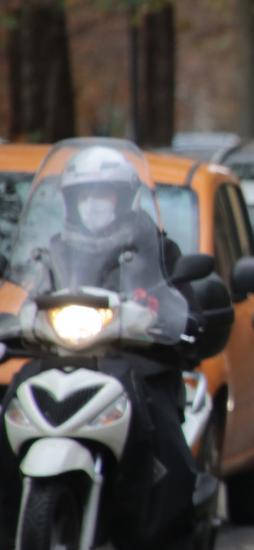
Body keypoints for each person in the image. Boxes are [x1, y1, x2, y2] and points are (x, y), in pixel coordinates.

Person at [0, 145, 200, 549]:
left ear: (124, 199)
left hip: (134, 361)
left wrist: (166, 318)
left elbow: (181, 301)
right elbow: (30, 291)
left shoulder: (156, 248)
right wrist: (20, 319)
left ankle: (162, 531)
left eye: (104, 195)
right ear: (71, 201)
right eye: (85, 195)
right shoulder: (53, 248)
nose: (95, 204)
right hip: (57, 358)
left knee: (162, 432)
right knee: (8, 405)